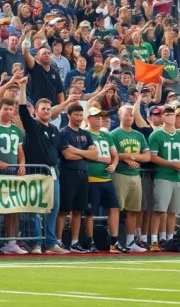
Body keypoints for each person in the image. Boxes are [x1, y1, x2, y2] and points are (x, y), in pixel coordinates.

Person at [18, 79, 67, 254]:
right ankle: (36, 243)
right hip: (36, 173)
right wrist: (23, 87)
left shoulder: (55, 130)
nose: (46, 111)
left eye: (48, 109)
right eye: (43, 109)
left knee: (54, 207)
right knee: (35, 208)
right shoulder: (32, 126)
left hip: (53, 173)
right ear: (36, 112)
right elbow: (23, 109)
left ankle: (51, 242)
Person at [0, 97, 28, 255]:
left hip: (12, 174)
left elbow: (20, 152)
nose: (9, 112)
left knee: (13, 209)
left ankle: (12, 241)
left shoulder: (16, 130)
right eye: (6, 109)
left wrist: (22, 164)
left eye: (11, 109)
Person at [57, 103, 99, 253]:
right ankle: (58, 241)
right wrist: (84, 153)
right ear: (69, 115)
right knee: (63, 210)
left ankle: (74, 242)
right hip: (68, 173)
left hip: (83, 174)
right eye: (76, 114)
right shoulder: (63, 133)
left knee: (77, 210)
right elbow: (67, 155)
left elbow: (95, 155)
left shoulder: (86, 134)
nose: (79, 117)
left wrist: (77, 151)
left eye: (81, 115)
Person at [82, 107, 125, 253]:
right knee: (90, 212)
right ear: (88, 118)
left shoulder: (106, 135)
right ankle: (89, 241)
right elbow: (83, 154)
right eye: (95, 117)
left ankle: (114, 241)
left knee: (114, 208)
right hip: (91, 178)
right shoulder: (85, 134)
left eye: (100, 117)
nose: (99, 119)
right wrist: (100, 159)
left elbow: (115, 155)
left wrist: (113, 165)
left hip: (106, 178)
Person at [109, 105, 150, 252]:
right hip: (120, 174)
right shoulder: (113, 134)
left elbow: (147, 156)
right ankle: (114, 241)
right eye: (126, 115)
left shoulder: (138, 135)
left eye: (131, 115)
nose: (129, 117)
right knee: (117, 209)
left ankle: (130, 241)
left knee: (134, 210)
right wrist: (125, 158)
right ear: (120, 116)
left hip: (135, 175)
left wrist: (129, 157)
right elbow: (112, 155)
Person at [148, 106, 180, 251]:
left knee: (173, 212)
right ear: (163, 117)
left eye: (174, 115)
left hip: (177, 176)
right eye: (169, 114)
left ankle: (170, 241)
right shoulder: (156, 135)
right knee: (159, 210)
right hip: (163, 175)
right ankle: (154, 241)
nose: (172, 117)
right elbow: (152, 156)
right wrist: (171, 164)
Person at [22, 41, 64, 105]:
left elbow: (60, 93)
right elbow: (26, 53)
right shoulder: (34, 67)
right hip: (37, 107)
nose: (47, 55)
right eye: (44, 53)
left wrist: (61, 106)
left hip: (52, 108)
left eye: (49, 53)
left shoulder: (55, 73)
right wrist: (26, 45)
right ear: (37, 56)